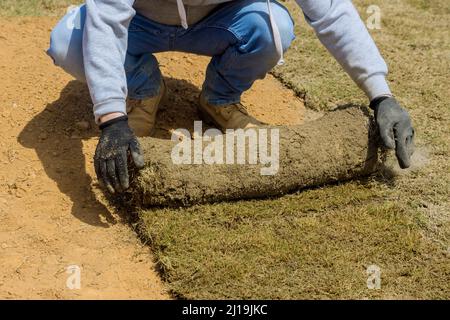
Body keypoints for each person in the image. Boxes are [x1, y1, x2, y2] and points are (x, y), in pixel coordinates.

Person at [47, 0, 415, 194]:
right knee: (68, 43)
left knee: (272, 27)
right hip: (139, 23)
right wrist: (111, 118)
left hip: (219, 23)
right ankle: (142, 89)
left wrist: (381, 95)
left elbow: (331, 12)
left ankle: (219, 98)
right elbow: (107, 19)